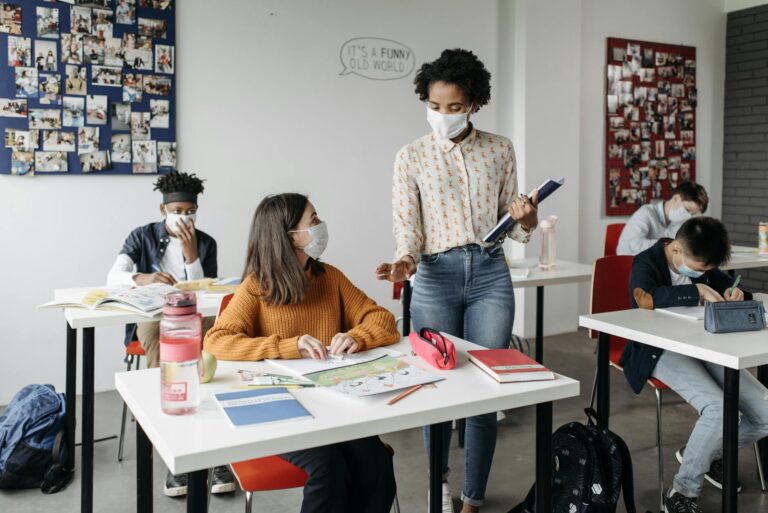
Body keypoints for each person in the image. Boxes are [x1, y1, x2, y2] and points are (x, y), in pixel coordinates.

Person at [375, 49, 538, 513]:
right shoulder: (411, 156)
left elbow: (517, 225)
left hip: (490, 271)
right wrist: (404, 262)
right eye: (434, 105)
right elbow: (408, 227)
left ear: (474, 105)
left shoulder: (500, 148)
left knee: (488, 387)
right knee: (436, 386)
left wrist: (528, 217)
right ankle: (437, 488)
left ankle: (473, 497)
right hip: (434, 276)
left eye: (454, 107)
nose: (442, 115)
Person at [204, 193, 399, 513]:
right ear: (288, 236)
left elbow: (382, 319)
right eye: (314, 220)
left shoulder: (329, 277)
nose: (321, 226)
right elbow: (217, 341)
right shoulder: (256, 286)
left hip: (332, 403)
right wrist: (288, 346)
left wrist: (357, 337)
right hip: (280, 408)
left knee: (374, 460)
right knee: (328, 467)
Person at [619, 217, 768, 513]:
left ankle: (700, 453)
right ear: (676, 249)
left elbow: (733, 289)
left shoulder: (705, 265)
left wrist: (736, 294)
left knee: (765, 413)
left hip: (703, 348)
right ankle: (682, 493)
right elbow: (643, 299)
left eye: (707, 270)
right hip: (657, 350)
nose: (703, 275)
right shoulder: (647, 262)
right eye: (699, 269)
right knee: (717, 409)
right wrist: (695, 291)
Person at [105, 172, 235, 497]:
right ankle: (174, 451)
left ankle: (215, 448)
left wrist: (192, 255)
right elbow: (113, 277)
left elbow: (206, 291)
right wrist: (143, 278)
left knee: (214, 347)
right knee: (165, 346)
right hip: (155, 316)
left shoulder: (206, 243)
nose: (184, 217)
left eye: (190, 210)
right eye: (177, 211)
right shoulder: (142, 236)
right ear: (163, 210)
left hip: (195, 313)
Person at [617, 181, 708, 255]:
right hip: (632, 267)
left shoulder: (680, 222)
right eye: (688, 210)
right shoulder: (646, 213)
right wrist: (667, 245)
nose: (688, 215)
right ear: (676, 198)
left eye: (692, 214)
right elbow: (629, 244)